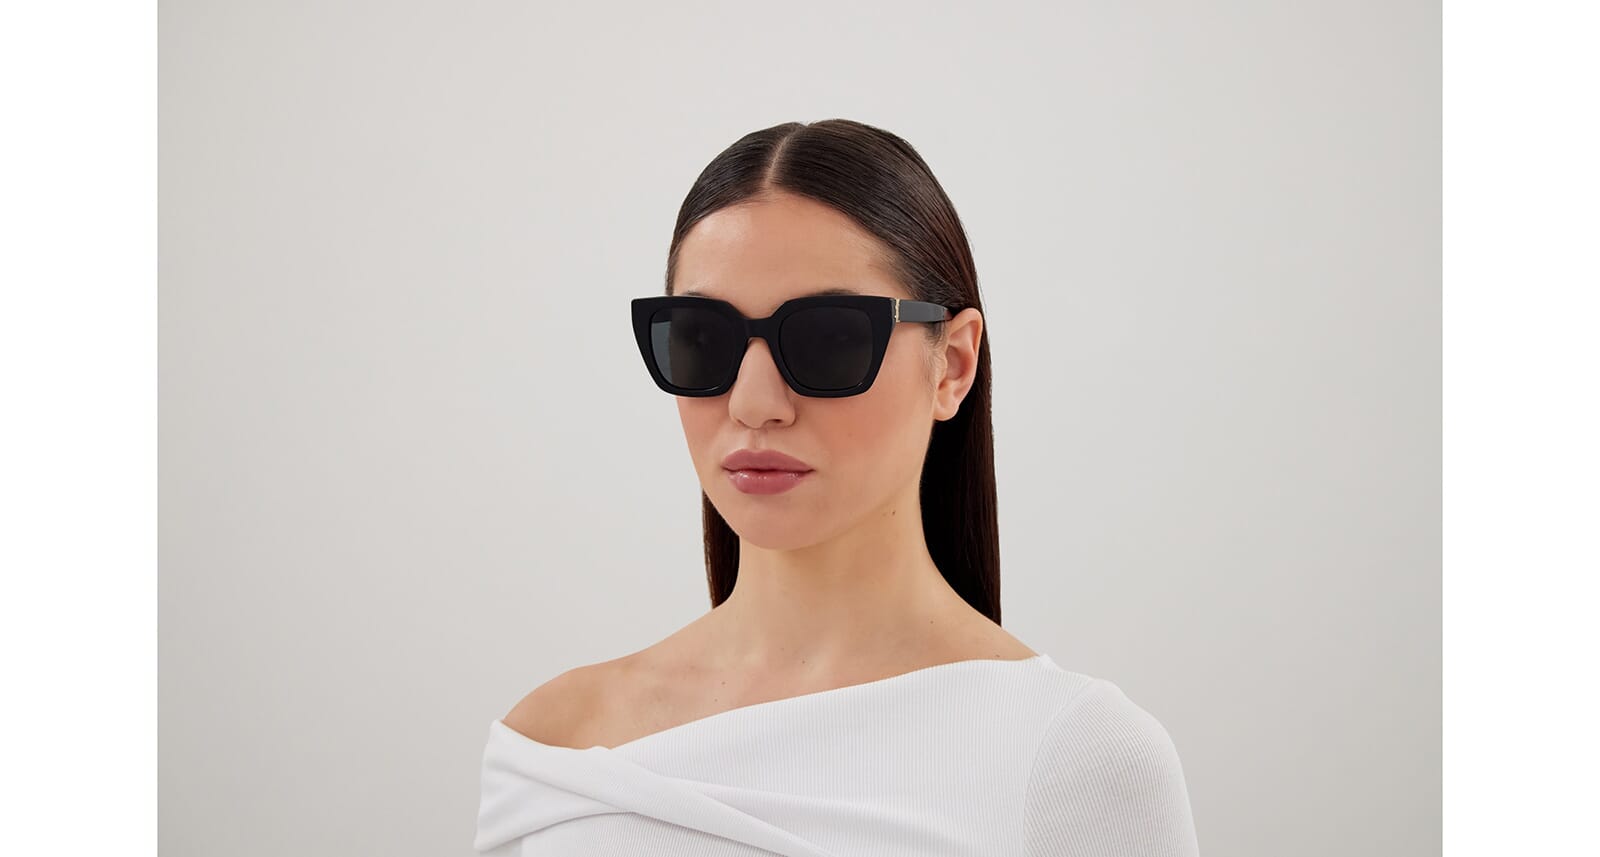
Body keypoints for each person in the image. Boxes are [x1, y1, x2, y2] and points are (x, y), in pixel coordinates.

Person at [475, 118, 1201, 855]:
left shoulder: (1079, 756)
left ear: (952, 365)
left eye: (828, 338)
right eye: (701, 337)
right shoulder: (555, 746)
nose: (754, 402)